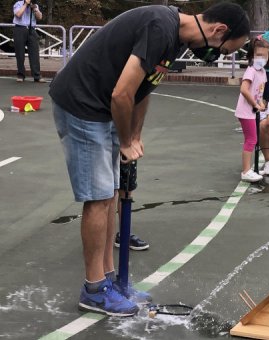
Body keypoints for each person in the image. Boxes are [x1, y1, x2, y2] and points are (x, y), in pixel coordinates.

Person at [49, 3, 249, 316]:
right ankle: (94, 289)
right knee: (98, 197)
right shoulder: (160, 26)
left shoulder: (176, 39)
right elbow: (121, 95)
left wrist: (136, 136)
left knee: (111, 193)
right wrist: (126, 140)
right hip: (82, 103)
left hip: (104, 105)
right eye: (224, 50)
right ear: (218, 31)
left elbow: (143, 89)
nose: (218, 56)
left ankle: (110, 281)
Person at [234, 36, 269, 183]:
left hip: (253, 111)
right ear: (252, 55)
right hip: (246, 111)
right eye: (258, 55)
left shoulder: (262, 72)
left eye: (264, 55)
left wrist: (261, 103)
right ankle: (246, 171)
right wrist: (255, 105)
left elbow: (259, 93)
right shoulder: (251, 70)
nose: (261, 58)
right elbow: (244, 89)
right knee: (251, 139)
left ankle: (250, 169)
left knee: (253, 139)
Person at [114, 161, 149, 251]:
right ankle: (102, 239)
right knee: (107, 194)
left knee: (126, 190)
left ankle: (124, 235)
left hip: (125, 153)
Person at [12, 0, 42, 82]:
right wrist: (25, 4)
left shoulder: (35, 5)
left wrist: (35, 9)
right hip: (20, 28)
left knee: (34, 53)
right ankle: (21, 75)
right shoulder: (18, 4)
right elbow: (18, 14)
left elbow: (39, 17)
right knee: (20, 53)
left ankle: (37, 76)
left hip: (32, 29)